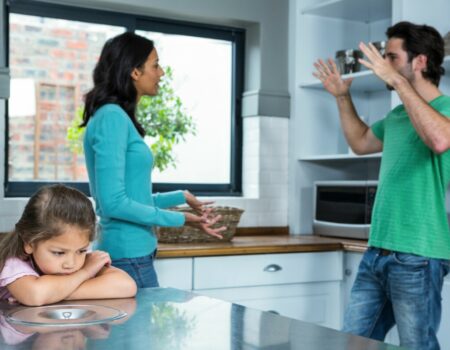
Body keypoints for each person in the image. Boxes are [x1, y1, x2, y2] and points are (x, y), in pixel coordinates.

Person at [313, 21, 450, 349]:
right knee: (353, 342)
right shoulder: (399, 116)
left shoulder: (444, 111)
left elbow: (440, 140)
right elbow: (360, 143)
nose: (382, 65)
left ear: (420, 62)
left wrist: (397, 83)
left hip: (418, 254)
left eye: (391, 56)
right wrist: (343, 98)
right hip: (377, 251)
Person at [81, 32, 226, 289]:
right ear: (134, 72)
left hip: (134, 255)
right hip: (127, 256)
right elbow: (113, 204)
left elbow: (133, 199)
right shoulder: (111, 118)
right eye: (155, 65)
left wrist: (181, 196)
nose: (161, 73)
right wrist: (182, 219)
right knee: (138, 331)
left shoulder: (116, 117)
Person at [0, 184, 137, 306]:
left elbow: (126, 286)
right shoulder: (14, 263)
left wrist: (53, 294)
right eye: (59, 253)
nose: (71, 264)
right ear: (29, 243)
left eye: (82, 250)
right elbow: (35, 295)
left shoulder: (78, 257)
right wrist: (85, 273)